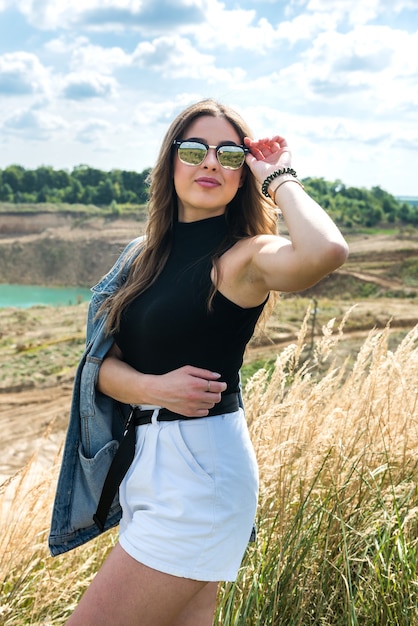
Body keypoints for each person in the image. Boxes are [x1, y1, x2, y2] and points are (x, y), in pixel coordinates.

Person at [64, 98, 348, 625]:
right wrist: (155, 390)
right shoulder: (142, 257)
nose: (211, 163)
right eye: (194, 150)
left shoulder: (245, 257)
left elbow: (326, 251)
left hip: (197, 477)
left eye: (230, 154)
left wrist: (280, 177)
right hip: (148, 468)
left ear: (244, 174)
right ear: (169, 163)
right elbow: (99, 368)